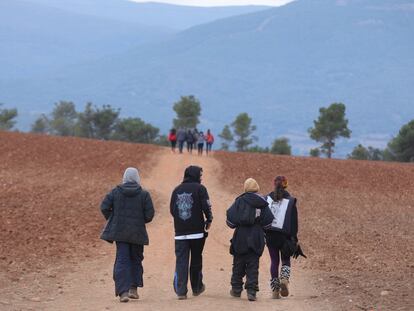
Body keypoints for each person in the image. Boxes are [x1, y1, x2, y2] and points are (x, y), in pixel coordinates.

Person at [100, 168, 155, 303]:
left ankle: (123, 292)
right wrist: (140, 220)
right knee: (136, 259)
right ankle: (133, 289)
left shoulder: (115, 192)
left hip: (120, 233)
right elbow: (149, 215)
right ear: (137, 178)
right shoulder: (144, 194)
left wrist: (113, 218)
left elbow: (104, 207)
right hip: (137, 234)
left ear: (124, 177)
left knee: (122, 260)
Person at [226, 178, 274, 301]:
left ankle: (236, 289)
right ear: (257, 188)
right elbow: (268, 223)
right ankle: (251, 291)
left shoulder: (239, 201)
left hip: (241, 236)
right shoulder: (262, 202)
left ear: (245, 188)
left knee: (238, 263)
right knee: (253, 265)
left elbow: (230, 221)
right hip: (256, 236)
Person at [170, 166, 213, 300]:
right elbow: (206, 206)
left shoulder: (176, 190)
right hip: (197, 232)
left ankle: (181, 291)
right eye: (200, 175)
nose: (201, 178)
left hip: (180, 232)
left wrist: (180, 221)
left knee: (181, 260)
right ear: (195, 175)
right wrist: (209, 219)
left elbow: (172, 210)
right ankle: (197, 287)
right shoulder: (200, 188)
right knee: (196, 259)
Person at [264, 176, 299, 299]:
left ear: (274, 184)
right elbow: (294, 222)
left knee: (274, 261)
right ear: (286, 185)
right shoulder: (290, 201)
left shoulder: (266, 199)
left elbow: (263, 218)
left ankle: (275, 290)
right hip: (285, 236)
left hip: (270, 235)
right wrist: (294, 238)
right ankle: (284, 278)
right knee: (285, 260)